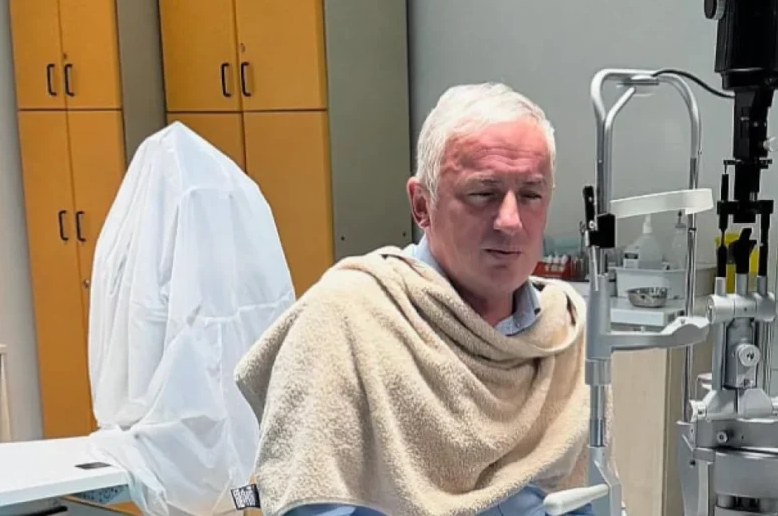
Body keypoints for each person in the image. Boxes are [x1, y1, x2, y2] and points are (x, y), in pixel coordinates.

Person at [235, 83, 604, 516]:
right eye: (483, 193)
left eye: (531, 195)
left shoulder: (564, 334)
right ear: (421, 205)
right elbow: (312, 502)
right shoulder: (346, 321)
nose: (510, 221)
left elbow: (585, 496)